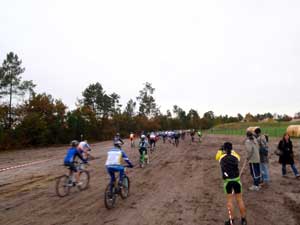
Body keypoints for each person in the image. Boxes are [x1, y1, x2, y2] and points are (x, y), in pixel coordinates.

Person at [217, 142, 247, 225]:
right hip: (236, 180)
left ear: (224, 149)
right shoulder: (236, 157)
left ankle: (231, 221)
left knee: (230, 201)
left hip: (228, 182)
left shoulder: (221, 157)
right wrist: (231, 150)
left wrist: (220, 150)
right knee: (240, 200)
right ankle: (243, 220)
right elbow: (238, 157)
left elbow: (217, 157)